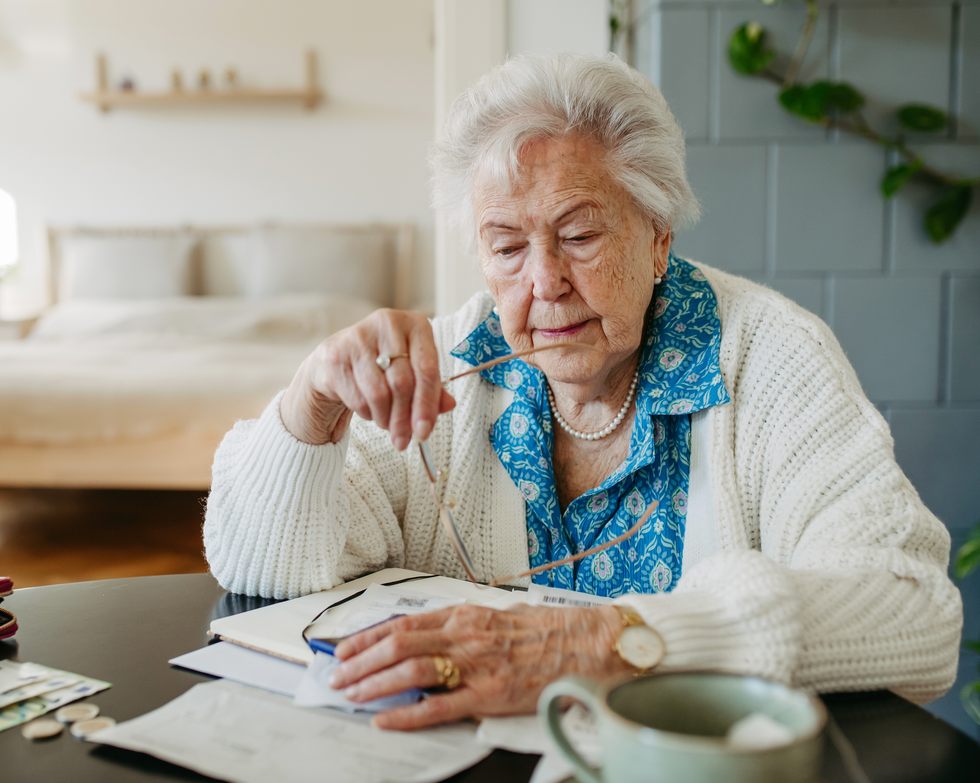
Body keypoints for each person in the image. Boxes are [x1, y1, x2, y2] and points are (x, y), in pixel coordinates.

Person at [204, 54, 962, 731]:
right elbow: (264, 568)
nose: (544, 282)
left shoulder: (770, 358)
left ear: (658, 236)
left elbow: (913, 613)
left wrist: (617, 642)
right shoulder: (449, 371)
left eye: (579, 235)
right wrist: (310, 406)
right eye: (507, 246)